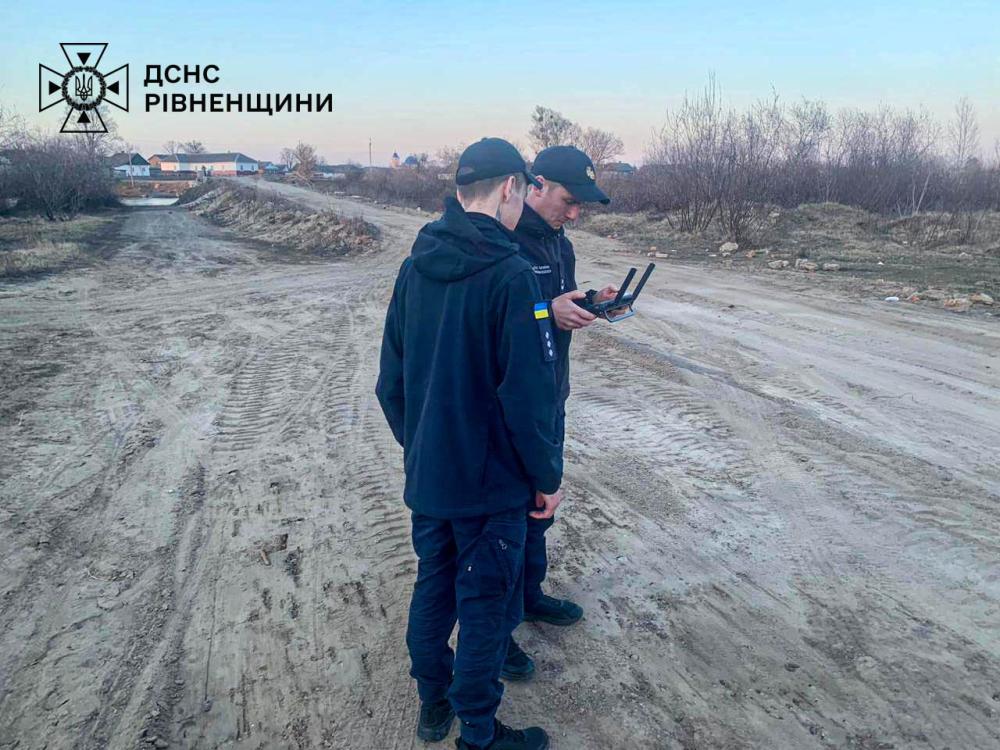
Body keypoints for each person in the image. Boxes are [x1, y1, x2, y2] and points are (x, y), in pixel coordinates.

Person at [376, 137, 563, 750]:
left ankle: (434, 702)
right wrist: (545, 476)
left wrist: (422, 447)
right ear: (511, 188)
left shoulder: (414, 266)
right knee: (483, 605)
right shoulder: (512, 275)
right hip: (491, 485)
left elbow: (391, 383)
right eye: (522, 193)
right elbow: (528, 397)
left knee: (435, 584)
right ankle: (478, 734)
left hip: (432, 476)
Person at [502, 145, 616, 681]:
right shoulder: (501, 237)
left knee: (541, 503)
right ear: (537, 184)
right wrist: (547, 310)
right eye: (569, 201)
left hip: (551, 391)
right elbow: (495, 315)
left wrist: (592, 301)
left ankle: (529, 594)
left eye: (580, 206)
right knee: (502, 516)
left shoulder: (558, 241)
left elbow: (555, 300)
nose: (574, 213)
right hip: (511, 399)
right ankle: (496, 629)